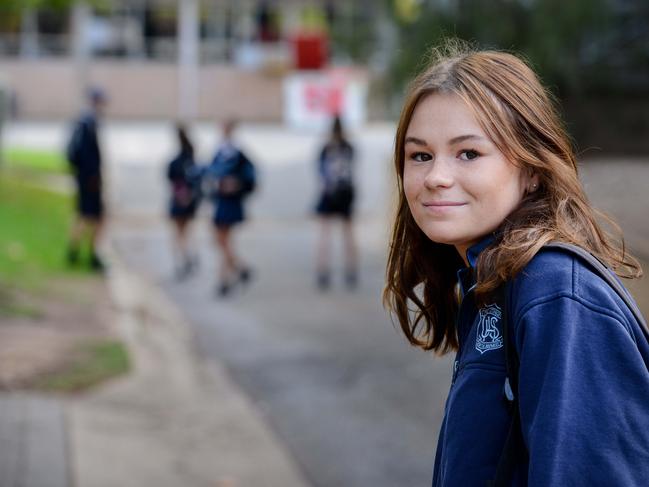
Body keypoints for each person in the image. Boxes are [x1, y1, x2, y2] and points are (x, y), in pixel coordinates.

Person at [383, 41, 649, 486]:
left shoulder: (555, 294)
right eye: (420, 155)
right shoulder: (493, 282)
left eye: (468, 153)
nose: (435, 177)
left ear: (530, 171)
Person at [206, 120, 256, 297]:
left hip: (230, 202)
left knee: (223, 240)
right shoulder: (220, 151)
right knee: (222, 241)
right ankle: (238, 270)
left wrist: (236, 185)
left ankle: (225, 279)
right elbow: (210, 175)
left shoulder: (237, 154)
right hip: (221, 201)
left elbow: (250, 178)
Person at [314, 115, 358, 290]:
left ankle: (323, 271)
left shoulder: (327, 148)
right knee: (348, 232)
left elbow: (321, 172)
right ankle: (351, 270)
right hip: (346, 192)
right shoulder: (349, 147)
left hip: (330, 192)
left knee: (325, 232)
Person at [65, 87, 107, 271]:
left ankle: (75, 252)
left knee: (83, 215)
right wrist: (93, 176)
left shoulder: (83, 122)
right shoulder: (88, 123)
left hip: (84, 178)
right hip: (89, 179)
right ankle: (90, 254)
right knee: (94, 216)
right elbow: (87, 155)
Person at [167, 123, 201, 280]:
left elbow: (173, 180)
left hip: (181, 201)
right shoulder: (190, 160)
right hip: (187, 201)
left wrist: (182, 195)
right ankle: (186, 257)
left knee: (179, 233)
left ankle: (182, 260)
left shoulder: (178, 162)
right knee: (185, 232)